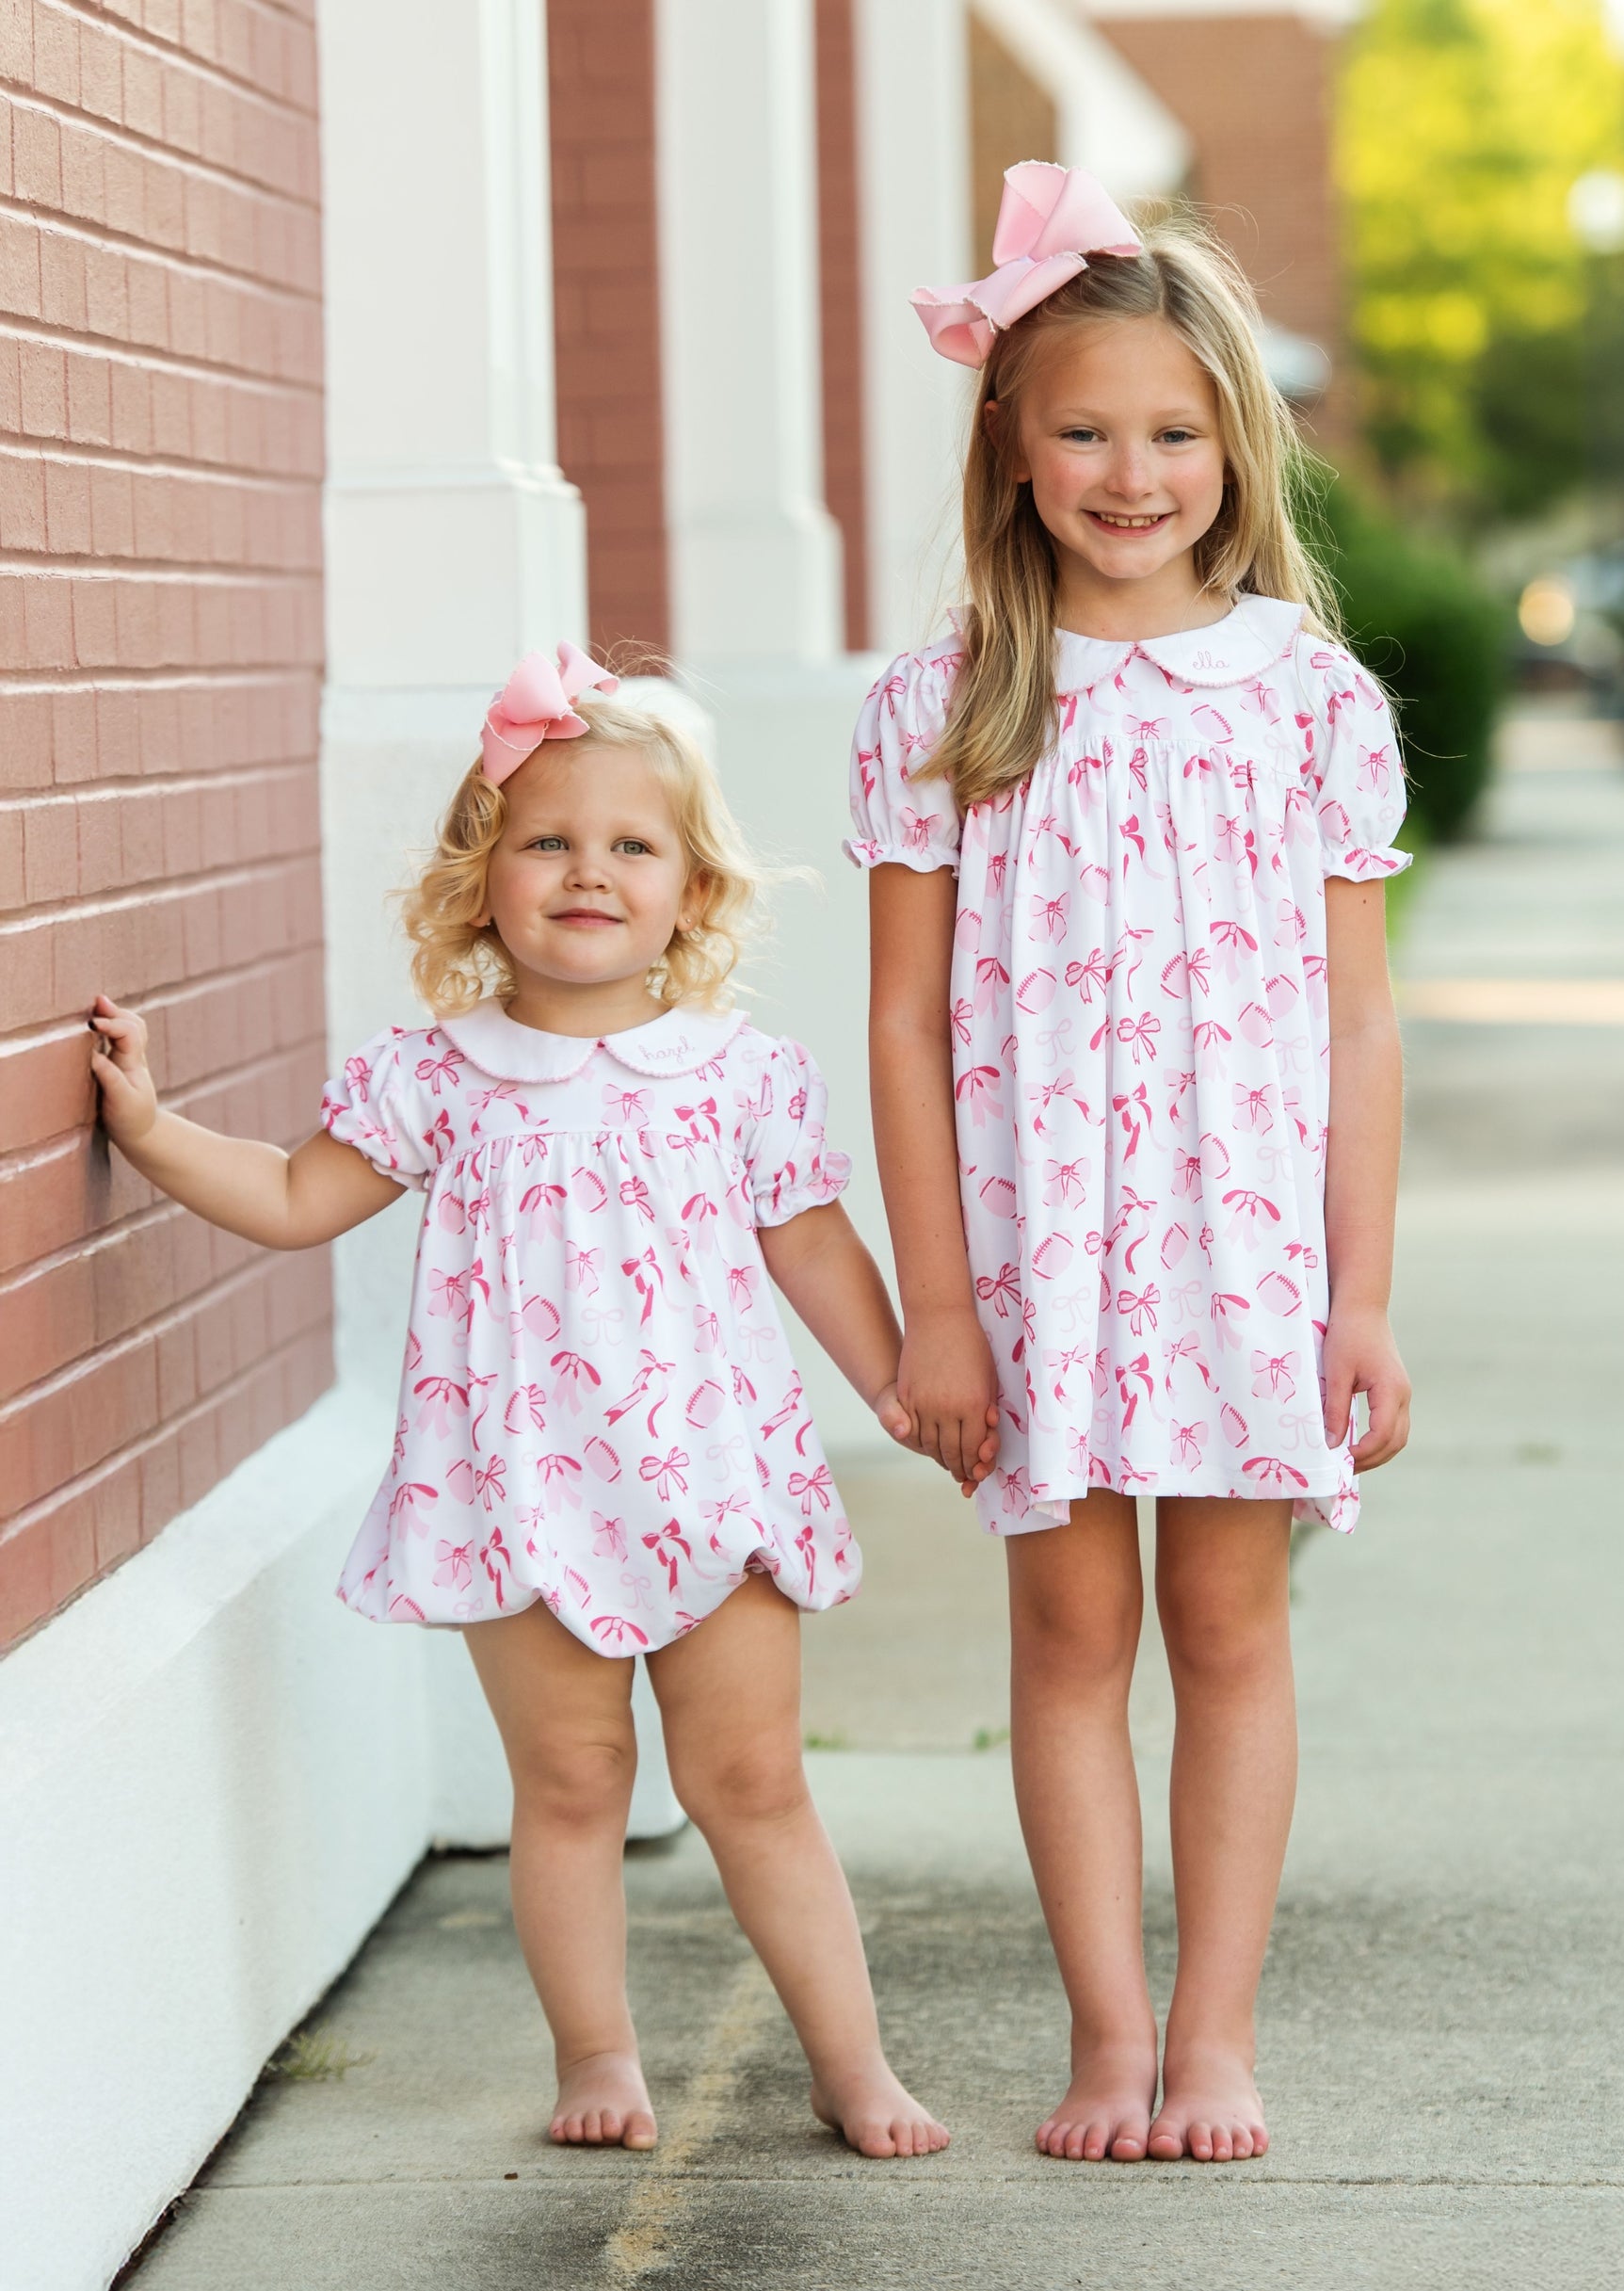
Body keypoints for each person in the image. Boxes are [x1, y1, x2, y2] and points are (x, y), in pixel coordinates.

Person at [90, 646, 948, 2160]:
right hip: (524, 1488)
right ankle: (597, 2049)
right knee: (568, 1783)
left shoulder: (738, 1077)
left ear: (693, 885)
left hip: (716, 1481)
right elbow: (296, 1196)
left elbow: (812, 1241)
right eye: (546, 841)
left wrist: (896, 1381)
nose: (586, 873)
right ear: (481, 876)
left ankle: (851, 2059)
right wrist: (154, 1132)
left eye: (631, 845)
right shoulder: (439, 1076)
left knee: (752, 1780)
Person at [851, 164, 1412, 2166]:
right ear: (1007, 439)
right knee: (1071, 1644)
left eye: (1172, 430)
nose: (1128, 469)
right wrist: (935, 1304)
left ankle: (1218, 2034)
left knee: (1232, 1634)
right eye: (1083, 426)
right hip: (1035, 1262)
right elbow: (906, 1029)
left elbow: (1355, 1024)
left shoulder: (1309, 702)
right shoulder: (943, 706)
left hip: (1244, 1256)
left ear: (1236, 450)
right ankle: (1105, 2036)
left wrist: (1356, 1292)